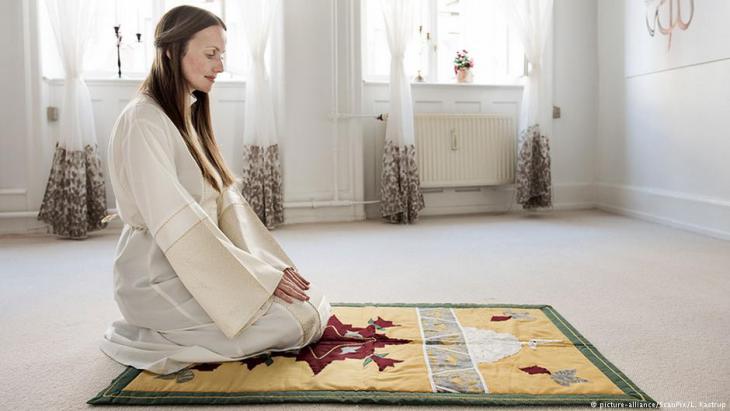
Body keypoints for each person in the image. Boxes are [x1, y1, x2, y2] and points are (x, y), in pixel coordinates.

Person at [102, 5, 330, 375]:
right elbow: (178, 222)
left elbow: (225, 203)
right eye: (211, 54)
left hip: (203, 265)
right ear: (170, 52)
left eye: (221, 54)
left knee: (310, 306)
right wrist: (256, 278)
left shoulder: (186, 114)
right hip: (157, 276)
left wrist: (266, 268)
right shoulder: (143, 120)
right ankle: (149, 334)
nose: (219, 66)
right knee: (293, 324)